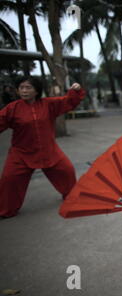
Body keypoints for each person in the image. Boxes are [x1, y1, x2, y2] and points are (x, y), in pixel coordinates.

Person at [0, 76, 85, 218]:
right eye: (21, 88)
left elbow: (68, 101)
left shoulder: (48, 104)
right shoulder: (12, 109)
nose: (24, 91)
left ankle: (71, 197)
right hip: (21, 153)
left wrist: (75, 91)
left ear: (36, 91)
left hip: (48, 150)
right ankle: (5, 210)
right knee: (9, 179)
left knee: (67, 170)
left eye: (28, 87)